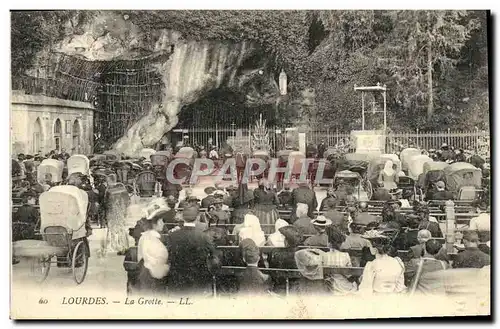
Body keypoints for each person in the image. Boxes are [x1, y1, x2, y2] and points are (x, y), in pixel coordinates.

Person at [165, 206, 219, 296]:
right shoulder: (204, 236)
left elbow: (169, 255)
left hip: (178, 281)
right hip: (199, 281)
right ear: (197, 217)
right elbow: (213, 255)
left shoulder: (172, 235)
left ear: (182, 217)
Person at [136, 209, 170, 295]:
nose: (163, 224)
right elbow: (153, 264)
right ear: (155, 223)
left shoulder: (146, 236)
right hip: (152, 279)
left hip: (147, 276)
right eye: (161, 221)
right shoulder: (151, 239)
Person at [322, 226, 357, 295]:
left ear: (329, 243)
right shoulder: (345, 255)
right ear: (340, 243)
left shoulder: (323, 255)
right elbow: (349, 275)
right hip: (343, 286)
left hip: (330, 286)